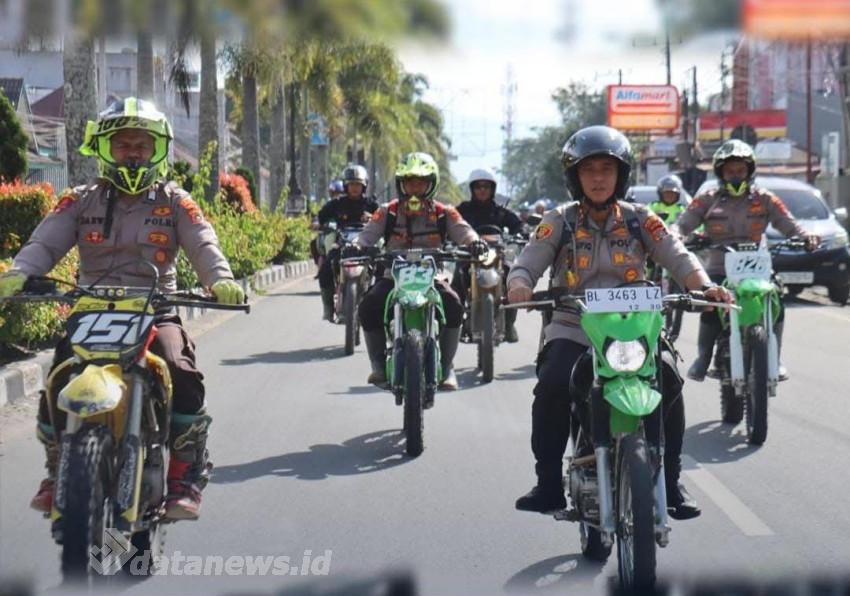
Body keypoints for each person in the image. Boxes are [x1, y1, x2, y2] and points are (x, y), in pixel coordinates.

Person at [0, 98, 245, 521]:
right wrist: (20, 271)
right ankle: (59, 470)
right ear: (106, 150)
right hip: (92, 310)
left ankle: (184, 477)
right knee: (58, 375)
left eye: (142, 145)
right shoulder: (79, 200)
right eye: (123, 144)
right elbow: (45, 241)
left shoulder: (177, 201)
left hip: (156, 311)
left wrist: (219, 280)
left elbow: (204, 243)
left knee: (179, 366)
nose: (132, 152)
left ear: (157, 151)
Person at [506, 125, 733, 519]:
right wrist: (520, 284)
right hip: (573, 328)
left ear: (621, 175)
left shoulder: (641, 220)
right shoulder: (557, 220)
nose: (598, 178)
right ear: (575, 177)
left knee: (669, 383)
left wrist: (706, 286)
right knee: (553, 386)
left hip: (634, 331)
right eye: (589, 169)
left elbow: (678, 257)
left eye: (607, 169)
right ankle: (546, 484)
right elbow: (528, 260)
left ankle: (672, 482)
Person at [675, 139, 818, 382]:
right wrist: (677, 235)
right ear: (721, 173)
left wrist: (805, 236)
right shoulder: (707, 200)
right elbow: (682, 224)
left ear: (749, 171)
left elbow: (788, 223)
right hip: (720, 268)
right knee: (712, 303)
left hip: (758, 269)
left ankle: (776, 357)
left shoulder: (765, 199)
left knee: (776, 302)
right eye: (730, 171)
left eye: (740, 170)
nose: (735, 176)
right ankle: (704, 357)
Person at [354, 152, 484, 391]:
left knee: (454, 304)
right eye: (410, 181)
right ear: (401, 184)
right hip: (393, 276)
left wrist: (474, 242)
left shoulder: (444, 212)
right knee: (369, 305)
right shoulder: (387, 211)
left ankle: (446, 367)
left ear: (430, 184)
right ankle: (378, 366)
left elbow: (465, 231)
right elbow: (367, 234)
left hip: (432, 276)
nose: (414, 187)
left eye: (420, 182)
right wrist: (356, 246)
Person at [455, 168, 524, 342]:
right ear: (472, 189)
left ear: (492, 189)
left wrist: (521, 234)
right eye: (478, 187)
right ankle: (457, 322)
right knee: (457, 279)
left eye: (486, 186)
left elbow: (518, 225)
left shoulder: (500, 212)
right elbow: (451, 225)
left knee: (511, 276)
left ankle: (509, 323)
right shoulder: (462, 210)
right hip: (469, 256)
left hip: (497, 256)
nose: (482, 190)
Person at [315, 165, 379, 321]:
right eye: (351, 185)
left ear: (364, 186)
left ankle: (378, 305)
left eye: (358, 184)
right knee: (325, 270)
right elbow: (320, 216)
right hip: (342, 244)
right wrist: (317, 223)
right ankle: (328, 308)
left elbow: (383, 219)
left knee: (383, 267)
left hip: (366, 244)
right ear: (346, 186)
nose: (355, 188)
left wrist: (372, 217)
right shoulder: (336, 203)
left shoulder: (371, 204)